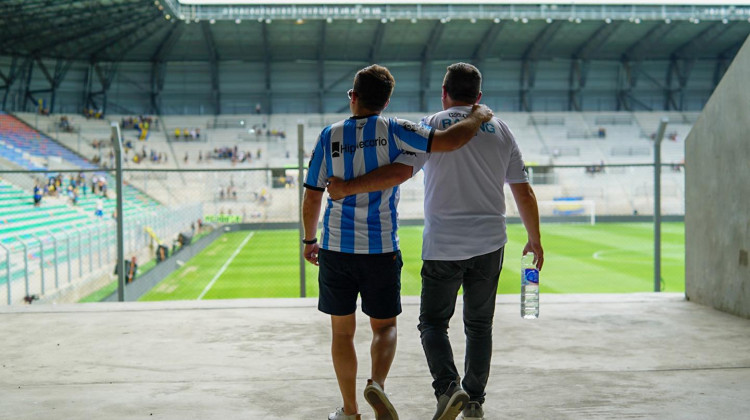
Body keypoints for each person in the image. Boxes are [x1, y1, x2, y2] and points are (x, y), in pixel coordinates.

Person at [326, 63, 543, 420]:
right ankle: (473, 400)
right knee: (479, 325)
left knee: (432, 323)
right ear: (478, 97)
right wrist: (534, 240)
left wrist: (347, 188)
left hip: (443, 243)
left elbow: (398, 173)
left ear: (444, 94)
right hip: (491, 242)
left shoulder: (430, 125)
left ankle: (447, 387)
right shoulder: (501, 129)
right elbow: (524, 191)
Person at [302, 64, 493, 420]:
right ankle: (378, 384)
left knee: (342, 333)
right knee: (385, 327)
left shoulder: (328, 136)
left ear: (353, 97)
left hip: (336, 248)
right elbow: (450, 141)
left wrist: (310, 240)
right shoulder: (398, 129)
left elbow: (313, 196)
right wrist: (479, 115)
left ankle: (349, 410)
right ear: (387, 101)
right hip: (381, 250)